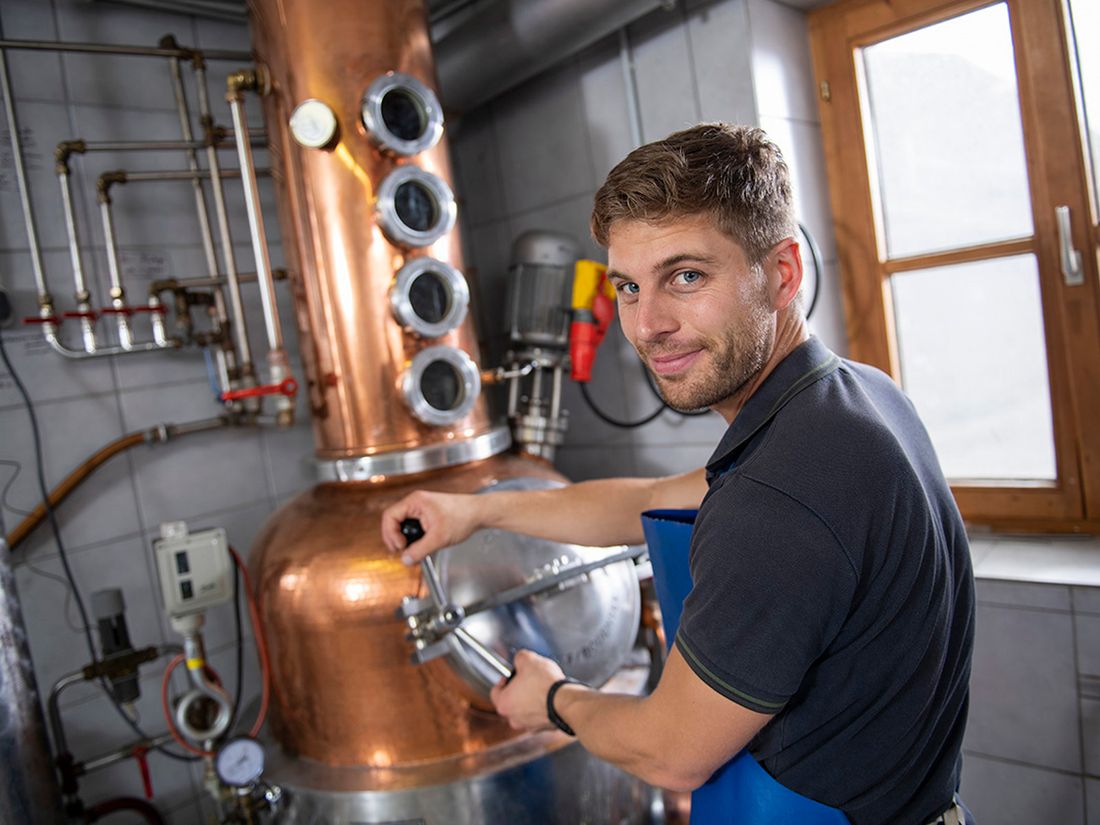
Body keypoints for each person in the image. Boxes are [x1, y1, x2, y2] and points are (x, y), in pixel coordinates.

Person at [381, 123, 974, 825]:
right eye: (629, 287)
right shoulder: (855, 401)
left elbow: (671, 753)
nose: (647, 325)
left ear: (783, 273)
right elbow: (653, 498)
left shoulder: (780, 498)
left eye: (686, 276)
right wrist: (477, 511)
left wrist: (553, 700)